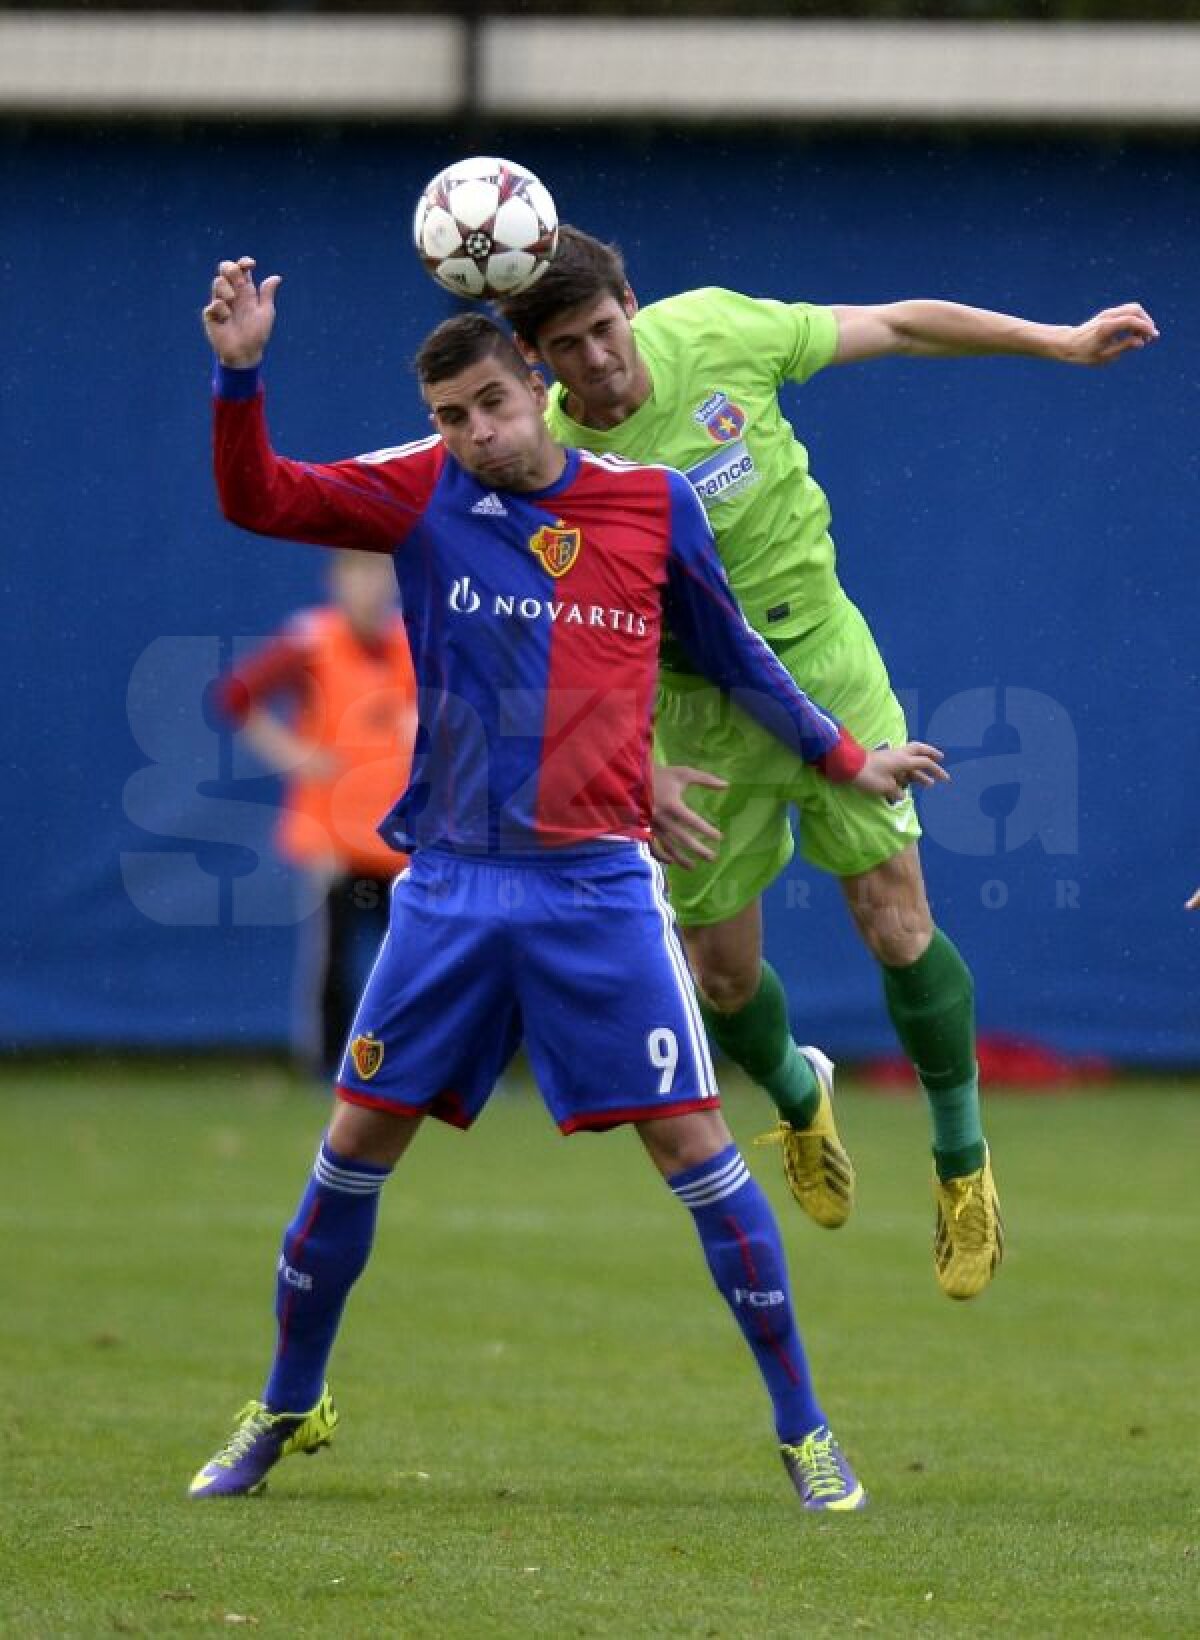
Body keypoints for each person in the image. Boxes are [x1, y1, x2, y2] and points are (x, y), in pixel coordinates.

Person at [188, 254, 946, 1509]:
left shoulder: (650, 504)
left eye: (488, 403)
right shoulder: (419, 493)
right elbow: (257, 496)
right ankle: (284, 1401)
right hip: (450, 886)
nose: (471, 433)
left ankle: (806, 1429)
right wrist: (239, 370)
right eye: (448, 416)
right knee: (350, 1147)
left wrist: (847, 752)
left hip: (595, 889)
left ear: (534, 387)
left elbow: (737, 654)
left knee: (698, 1149)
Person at [499, 229, 1159, 1299]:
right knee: (719, 975)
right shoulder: (550, 469)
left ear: (633, 302)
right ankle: (800, 1087)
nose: (598, 360)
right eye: (567, 347)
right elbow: (557, 643)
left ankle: (962, 1162)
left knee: (896, 921)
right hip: (697, 712)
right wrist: (634, 767)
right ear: (538, 360)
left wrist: (1061, 341)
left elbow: (898, 323)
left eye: (606, 329)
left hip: (823, 659)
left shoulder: (718, 328)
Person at [215, 549, 416, 1077]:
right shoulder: (312, 640)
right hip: (333, 837)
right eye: (358, 574)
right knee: (334, 961)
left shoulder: (412, 641)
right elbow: (237, 696)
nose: (370, 586)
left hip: (399, 838)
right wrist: (293, 754)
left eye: (379, 574)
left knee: (417, 963)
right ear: (336, 581)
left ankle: (420, 1067)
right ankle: (326, 1066)